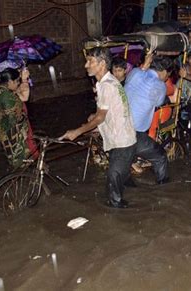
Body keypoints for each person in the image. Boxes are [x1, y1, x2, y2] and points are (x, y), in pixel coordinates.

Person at [60, 47, 136, 209]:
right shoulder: (107, 82)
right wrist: (92, 123)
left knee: (113, 187)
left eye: (90, 61)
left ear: (102, 64)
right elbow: (107, 112)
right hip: (123, 137)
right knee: (119, 176)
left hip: (122, 140)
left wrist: (78, 131)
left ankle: (120, 220)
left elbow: (101, 116)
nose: (86, 65)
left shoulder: (107, 85)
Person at [125, 54, 170, 184]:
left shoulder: (134, 72)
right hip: (133, 133)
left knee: (122, 163)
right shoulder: (159, 85)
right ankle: (164, 187)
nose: (167, 78)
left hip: (117, 128)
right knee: (160, 157)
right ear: (163, 71)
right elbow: (158, 103)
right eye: (167, 74)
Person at [0, 67, 37, 169]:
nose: (17, 84)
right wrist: (24, 80)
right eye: (16, 82)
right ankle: (22, 176)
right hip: (14, 131)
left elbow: (18, 95)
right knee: (20, 157)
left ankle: (19, 175)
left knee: (14, 156)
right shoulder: (5, 95)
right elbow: (22, 101)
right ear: (10, 81)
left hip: (5, 130)